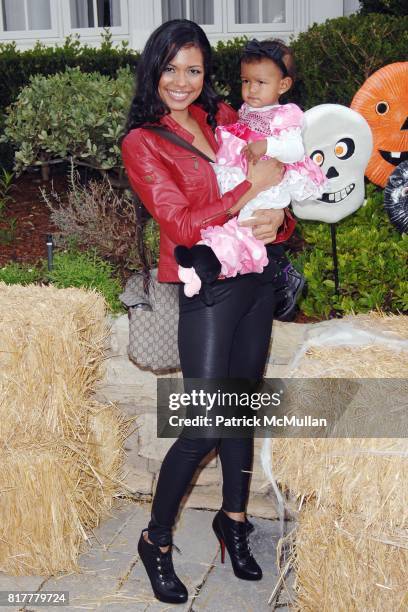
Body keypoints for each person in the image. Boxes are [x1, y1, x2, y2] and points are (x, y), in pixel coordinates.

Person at [121, 19, 295, 605]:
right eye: (171, 68)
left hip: (257, 278)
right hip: (208, 287)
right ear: (153, 69)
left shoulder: (222, 117)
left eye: (193, 70)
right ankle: (156, 540)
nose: (182, 81)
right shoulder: (143, 141)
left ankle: (235, 521)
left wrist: (280, 221)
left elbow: (277, 187)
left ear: (206, 74)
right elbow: (181, 223)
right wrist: (248, 191)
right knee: (203, 425)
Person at [176, 38, 326, 317]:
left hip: (269, 186)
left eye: (260, 82)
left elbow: (294, 149)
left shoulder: (286, 114)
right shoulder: (243, 111)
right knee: (238, 223)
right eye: (246, 81)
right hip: (247, 180)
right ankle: (207, 259)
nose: (251, 89)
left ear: (283, 85)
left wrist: (266, 146)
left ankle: (228, 263)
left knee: (248, 230)